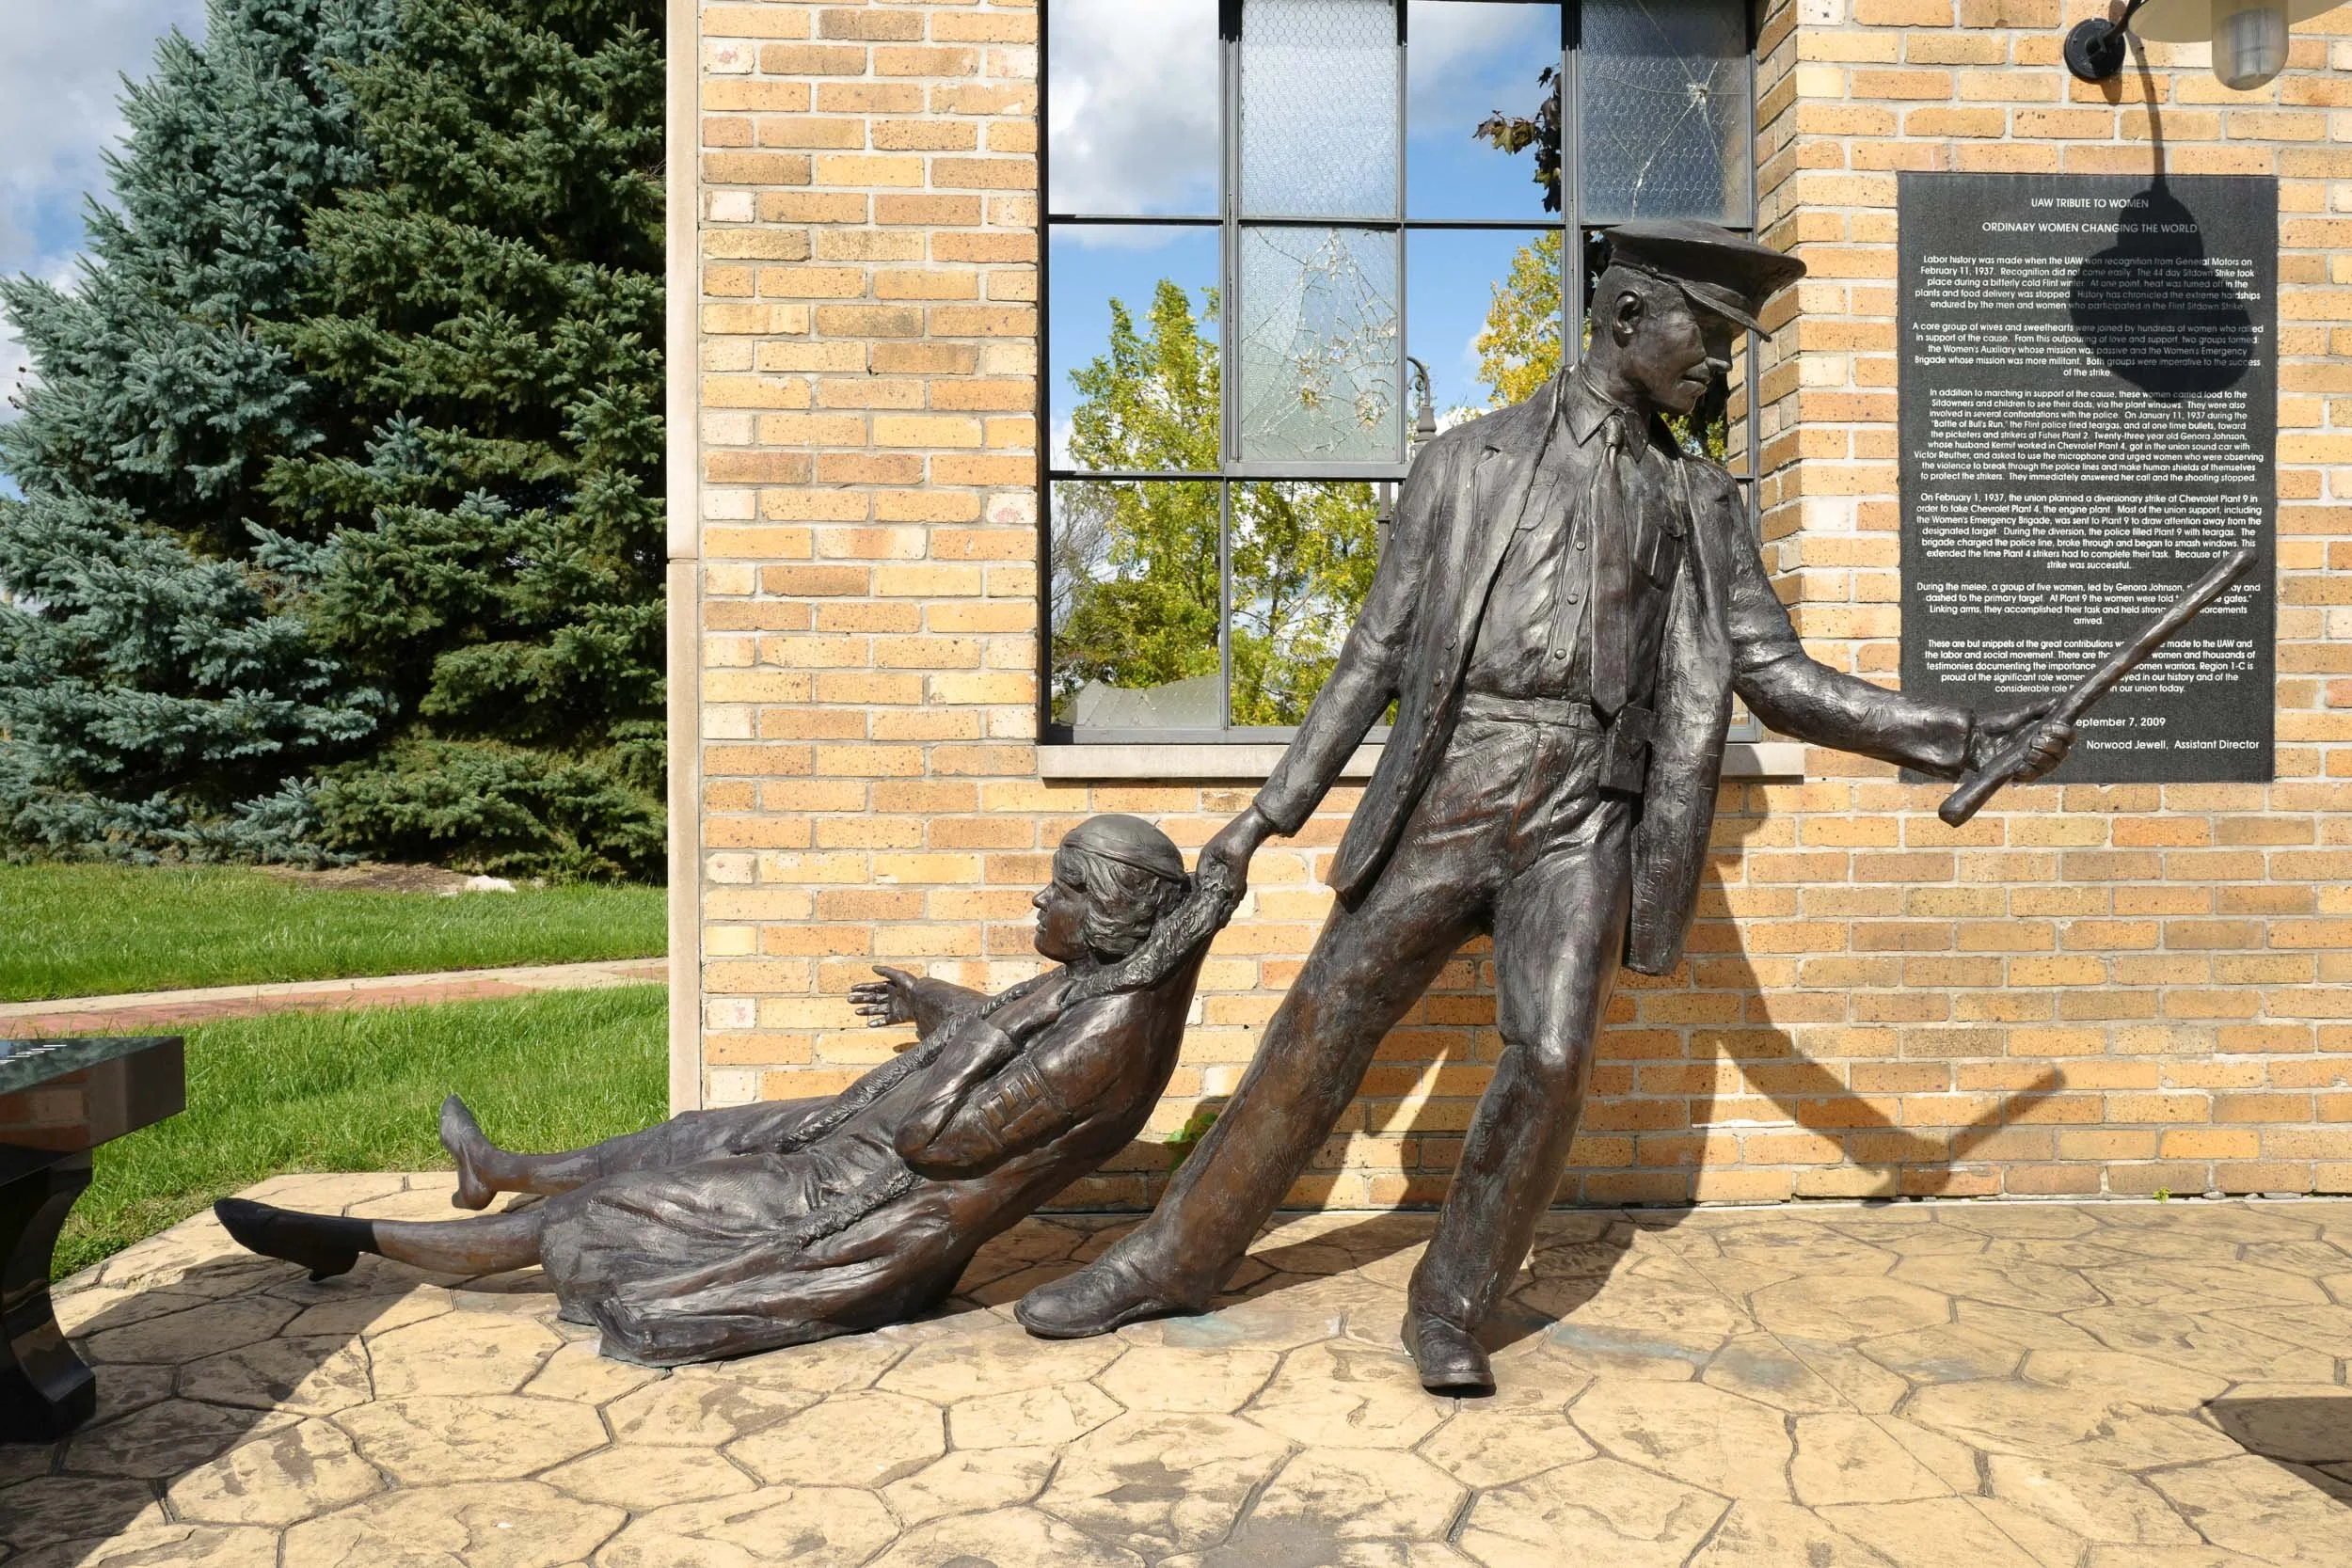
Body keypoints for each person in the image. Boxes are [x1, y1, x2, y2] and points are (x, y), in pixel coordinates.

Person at [1015, 220, 2075, 1393]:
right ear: (1628, 317)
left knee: (1556, 1047)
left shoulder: (1697, 500)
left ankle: (1452, 1302)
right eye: (1708, 335)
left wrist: (1963, 732)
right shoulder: (1464, 463)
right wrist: (1268, 814)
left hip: (1585, 807)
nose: (1720, 364)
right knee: (1325, 1022)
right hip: (1453, 783)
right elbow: (1374, 653)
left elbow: (1777, 676)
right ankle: (1172, 1255)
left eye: (1729, 342)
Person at [216, 815, 1213, 1367]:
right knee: (688, 1131)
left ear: (1113, 908)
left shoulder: (1108, 1031)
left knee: (598, 1212)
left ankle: (355, 1242)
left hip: (858, 1193)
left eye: (1063, 886)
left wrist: (972, 1032)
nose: (1041, 897)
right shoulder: (1090, 982)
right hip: (847, 1136)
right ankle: (496, 1165)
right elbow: (993, 1061)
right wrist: (942, 1002)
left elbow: (940, 1140)